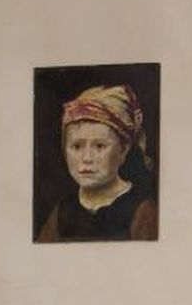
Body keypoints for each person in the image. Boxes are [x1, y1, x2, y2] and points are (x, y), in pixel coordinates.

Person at [38, 82, 157, 241]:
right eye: (77, 146)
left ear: (123, 150)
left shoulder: (143, 211)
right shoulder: (62, 211)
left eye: (100, 146)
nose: (87, 158)